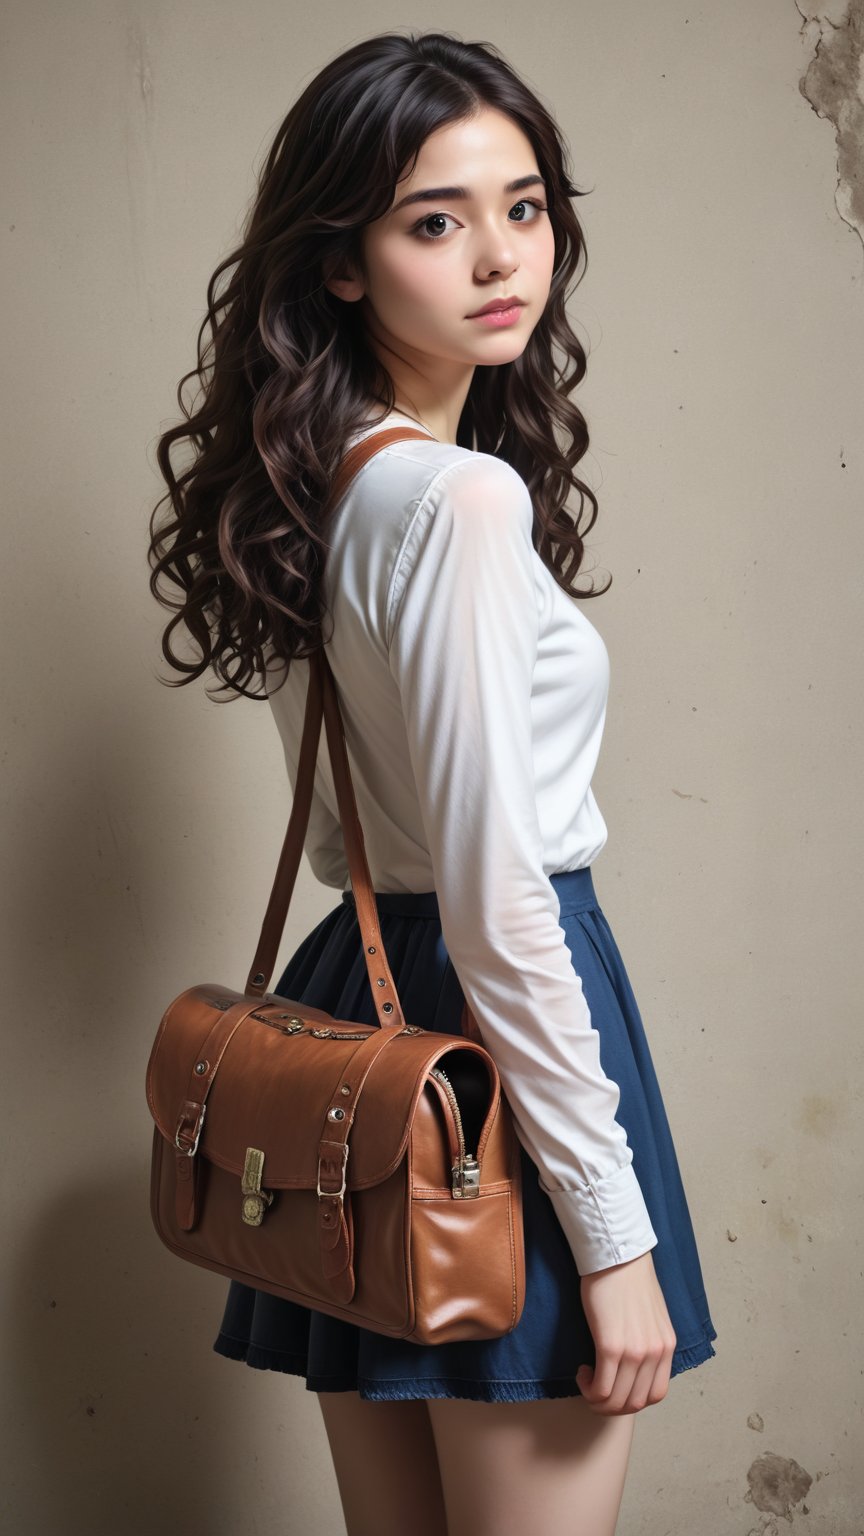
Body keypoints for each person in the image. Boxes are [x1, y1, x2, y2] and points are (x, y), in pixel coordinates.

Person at [147, 28, 717, 1536]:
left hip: (359, 1014)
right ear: (341, 262)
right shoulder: (459, 500)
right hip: (485, 1052)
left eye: (522, 208)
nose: (496, 257)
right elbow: (494, 896)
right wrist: (608, 1233)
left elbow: (359, 838)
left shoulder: (316, 483)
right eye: (432, 220)